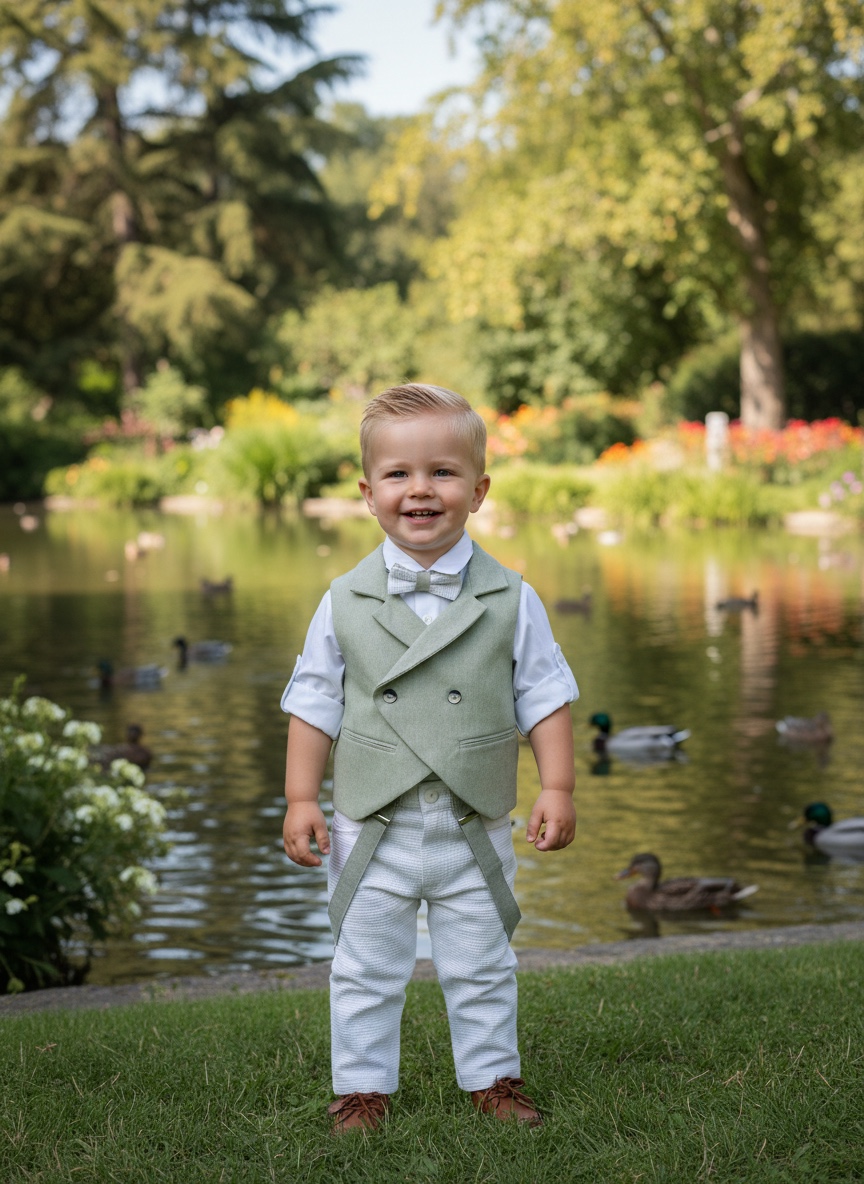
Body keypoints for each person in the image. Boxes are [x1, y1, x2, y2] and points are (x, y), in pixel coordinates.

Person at [281, 383, 578, 1134]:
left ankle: (493, 1079)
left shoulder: (513, 598)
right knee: (364, 967)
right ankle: (361, 1089)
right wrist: (301, 798)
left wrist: (558, 785)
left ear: (478, 491)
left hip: (471, 821)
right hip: (371, 824)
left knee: (483, 962)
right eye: (398, 474)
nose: (420, 489)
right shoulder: (342, 600)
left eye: (443, 472)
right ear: (368, 493)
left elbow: (544, 694)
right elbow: (313, 701)